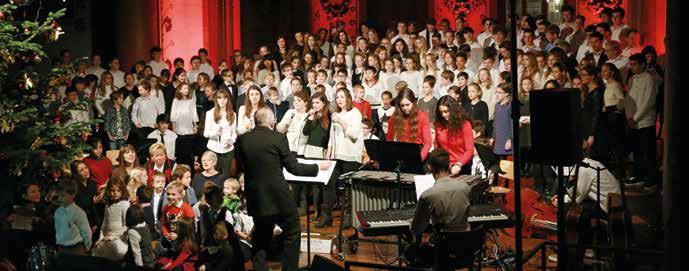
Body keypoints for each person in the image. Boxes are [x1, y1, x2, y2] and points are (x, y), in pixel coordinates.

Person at [235, 107, 330, 271]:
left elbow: (240, 167)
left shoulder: (243, 140)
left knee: (261, 238)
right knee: (292, 233)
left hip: (256, 197)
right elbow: (294, 168)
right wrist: (317, 167)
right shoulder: (278, 138)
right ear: (272, 122)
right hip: (278, 197)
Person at [406, 149, 472, 268]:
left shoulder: (428, 195)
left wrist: (411, 224)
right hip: (466, 248)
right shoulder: (465, 187)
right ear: (450, 165)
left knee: (410, 251)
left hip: (442, 252)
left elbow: (417, 230)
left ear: (430, 168)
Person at [624, 53, 658, 186]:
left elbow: (649, 100)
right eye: (631, 64)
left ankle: (650, 179)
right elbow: (628, 99)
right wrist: (629, 117)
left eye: (634, 64)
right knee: (636, 150)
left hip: (645, 120)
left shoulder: (649, 78)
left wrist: (636, 117)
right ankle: (638, 176)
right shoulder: (631, 79)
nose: (632, 67)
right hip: (632, 120)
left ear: (643, 64)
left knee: (647, 151)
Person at [386, 88, 432, 160]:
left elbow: (427, 143)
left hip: (417, 152)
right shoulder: (394, 117)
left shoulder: (423, 116)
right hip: (400, 151)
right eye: (402, 105)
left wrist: (419, 159)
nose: (405, 108)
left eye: (407, 105)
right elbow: (389, 140)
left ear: (413, 102)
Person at [92, 178, 130, 261]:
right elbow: (104, 224)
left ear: (122, 191)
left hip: (119, 239)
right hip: (106, 238)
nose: (115, 193)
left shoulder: (125, 204)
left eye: (118, 190)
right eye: (112, 191)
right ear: (108, 191)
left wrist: (112, 237)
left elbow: (126, 226)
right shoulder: (108, 205)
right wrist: (100, 238)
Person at [434, 96, 474, 174]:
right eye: (441, 112)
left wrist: (459, 164)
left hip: (461, 166)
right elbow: (437, 146)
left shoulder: (465, 124)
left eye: (446, 111)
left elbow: (469, 150)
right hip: (444, 166)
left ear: (453, 110)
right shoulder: (438, 125)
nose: (444, 115)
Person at [204, 89, 238, 176]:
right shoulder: (210, 113)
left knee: (226, 176)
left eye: (224, 98)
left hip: (228, 150)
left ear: (227, 100)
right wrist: (215, 133)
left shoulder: (233, 114)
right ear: (217, 100)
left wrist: (232, 140)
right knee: (213, 175)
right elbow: (206, 133)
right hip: (213, 149)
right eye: (220, 98)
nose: (222, 100)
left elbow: (234, 133)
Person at [54, 180, 92, 256]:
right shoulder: (57, 212)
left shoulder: (79, 212)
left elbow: (87, 232)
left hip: (76, 248)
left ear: (73, 195)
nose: (60, 198)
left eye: (63, 195)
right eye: (59, 196)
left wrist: (86, 248)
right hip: (61, 248)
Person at [125, 204, 156, 268]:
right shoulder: (145, 224)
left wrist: (139, 266)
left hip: (142, 261)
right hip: (150, 258)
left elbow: (136, 252)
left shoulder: (132, 232)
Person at [491, 83, 513, 157]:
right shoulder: (497, 105)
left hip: (507, 138)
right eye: (496, 92)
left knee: (509, 163)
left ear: (506, 93)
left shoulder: (510, 106)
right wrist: (493, 137)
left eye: (500, 92)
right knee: (501, 161)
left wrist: (510, 139)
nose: (497, 95)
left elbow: (512, 123)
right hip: (499, 138)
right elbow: (495, 123)